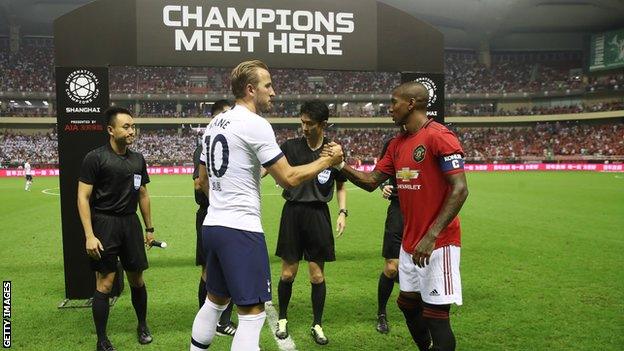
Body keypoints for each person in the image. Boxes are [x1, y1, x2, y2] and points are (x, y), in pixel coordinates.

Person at [189, 60, 343, 351]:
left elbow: (202, 180)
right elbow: (288, 178)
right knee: (252, 315)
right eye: (268, 85)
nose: (273, 92)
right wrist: (327, 161)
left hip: (214, 224)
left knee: (215, 301)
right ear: (251, 89)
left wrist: (221, 204)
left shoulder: (214, 123)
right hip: (240, 230)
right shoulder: (255, 124)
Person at [327, 81, 469, 351]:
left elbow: (460, 190)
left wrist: (431, 235)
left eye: (394, 103)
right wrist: (340, 164)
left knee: (437, 317)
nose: (389, 108)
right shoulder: (396, 144)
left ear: (411, 104)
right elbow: (371, 182)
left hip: (438, 243)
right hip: (409, 241)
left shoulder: (440, 136)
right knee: (406, 303)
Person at [77, 107, 156, 351]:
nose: (132, 131)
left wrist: (149, 228)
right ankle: (102, 340)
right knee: (106, 283)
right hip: (104, 224)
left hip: (130, 223)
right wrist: (89, 235)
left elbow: (143, 193)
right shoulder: (95, 158)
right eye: (126, 127)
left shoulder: (137, 159)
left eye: (133, 126)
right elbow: (82, 197)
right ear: (111, 130)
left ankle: (142, 326)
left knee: (137, 279)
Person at [273, 100, 348, 345]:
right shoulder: (290, 147)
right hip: (292, 213)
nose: (304, 127)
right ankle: (282, 318)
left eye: (309, 123)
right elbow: (271, 170)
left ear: (323, 124)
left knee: (317, 276)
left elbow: (340, 184)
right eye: (302, 122)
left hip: (318, 215)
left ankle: (317, 323)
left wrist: (342, 212)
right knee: (287, 274)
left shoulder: (333, 151)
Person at [191, 99, 237, 336]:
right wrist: (220, 204)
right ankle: (209, 319)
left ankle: (221, 320)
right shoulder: (205, 147)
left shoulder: (230, 144)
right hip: (211, 214)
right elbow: (200, 183)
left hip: (227, 214)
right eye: (228, 114)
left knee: (229, 267)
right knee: (208, 270)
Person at [375, 137, 404, 334]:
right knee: (392, 268)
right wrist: (383, 184)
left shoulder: (428, 139)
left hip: (423, 212)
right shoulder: (392, 143)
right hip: (398, 210)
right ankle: (381, 313)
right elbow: (380, 172)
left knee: (422, 266)